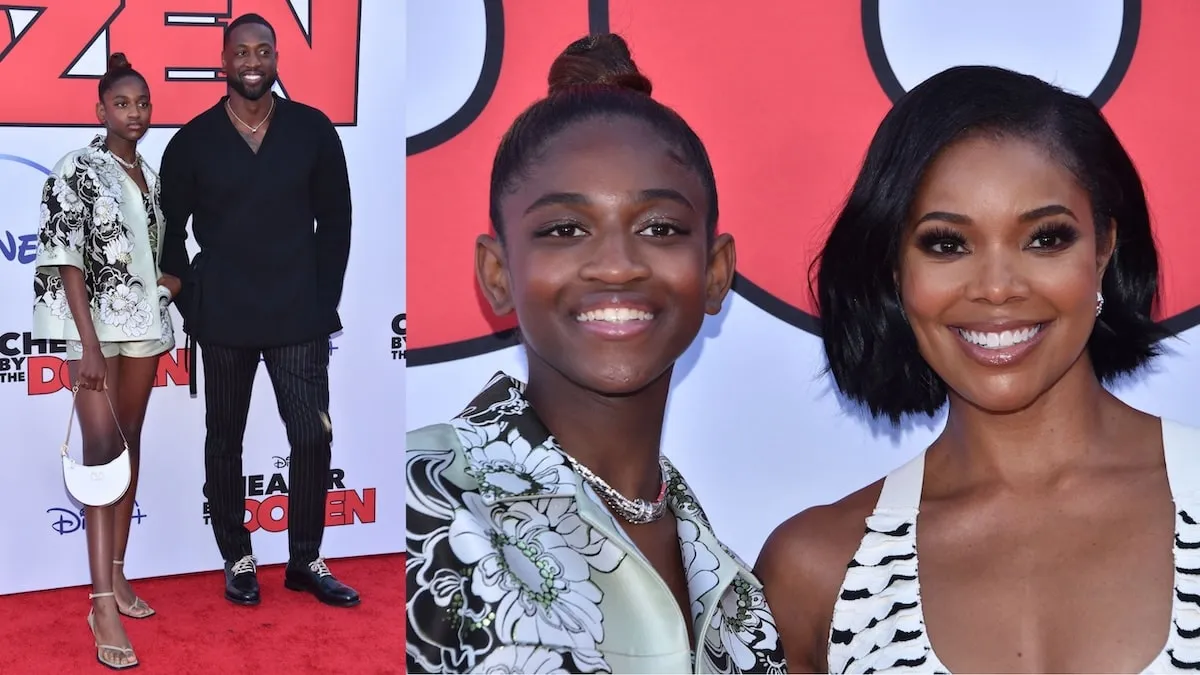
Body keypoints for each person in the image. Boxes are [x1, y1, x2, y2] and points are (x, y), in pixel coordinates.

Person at [755, 65, 1200, 674]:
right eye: (946, 243)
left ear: (1103, 251)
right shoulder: (816, 571)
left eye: (1045, 238)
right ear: (894, 271)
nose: (996, 288)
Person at [405, 33, 787, 675]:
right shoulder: (419, 505)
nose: (616, 266)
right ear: (498, 274)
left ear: (715, 272)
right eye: (565, 230)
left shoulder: (742, 597)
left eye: (659, 228)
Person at [157, 12, 357, 608]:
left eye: (262, 51)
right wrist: (195, 301)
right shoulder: (190, 141)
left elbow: (337, 222)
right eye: (240, 51)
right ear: (224, 62)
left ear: (275, 58)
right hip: (223, 318)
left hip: (298, 312)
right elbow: (168, 235)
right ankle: (237, 556)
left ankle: (305, 561)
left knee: (311, 437)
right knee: (224, 440)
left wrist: (323, 301)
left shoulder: (313, 130)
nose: (251, 61)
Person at [33, 52, 178, 670]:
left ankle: (117, 575)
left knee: (131, 442)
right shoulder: (76, 168)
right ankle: (102, 606)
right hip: (92, 333)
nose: (135, 112)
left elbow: (152, 256)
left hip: (144, 329)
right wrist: (87, 344)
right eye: (123, 103)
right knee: (102, 459)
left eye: (143, 103)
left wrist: (167, 287)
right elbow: (65, 257)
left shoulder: (149, 173)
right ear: (101, 110)